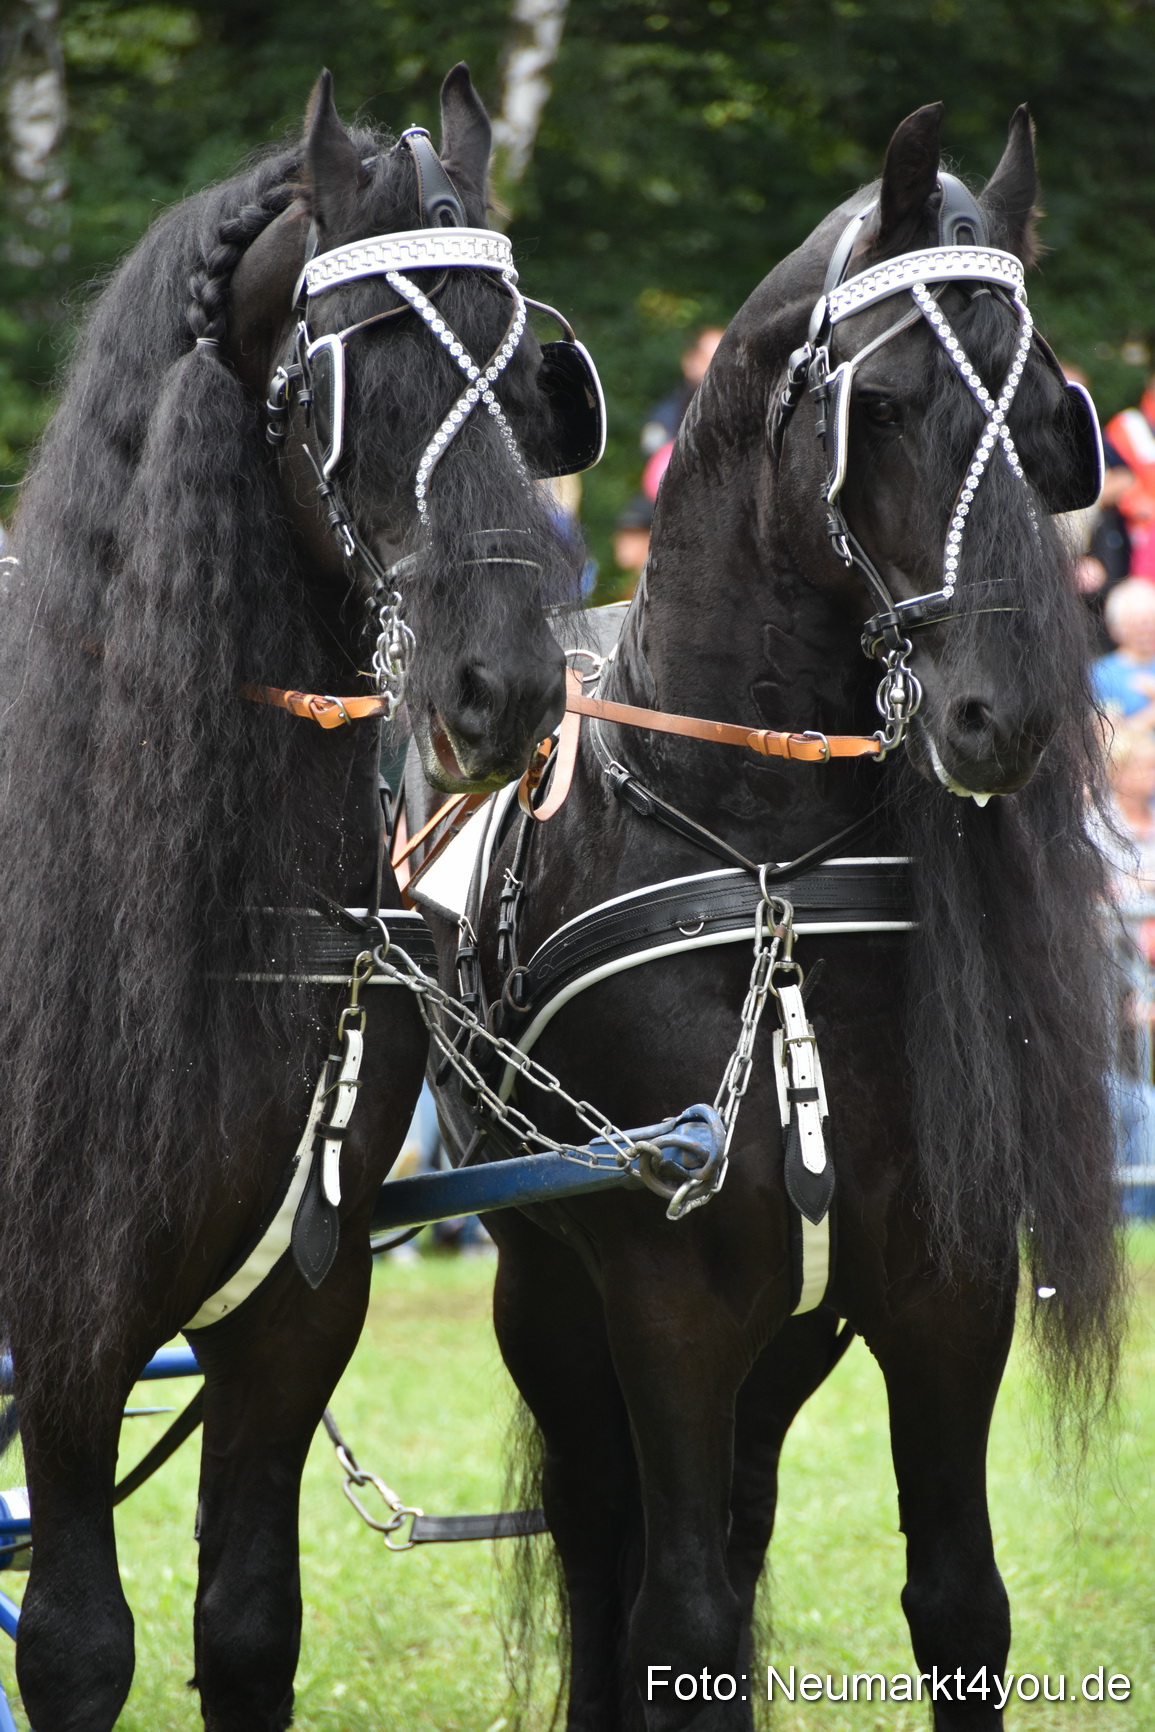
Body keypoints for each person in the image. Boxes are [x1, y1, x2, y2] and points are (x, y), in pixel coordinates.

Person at [640, 325, 725, 501]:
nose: (718, 369)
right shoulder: (665, 416)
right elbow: (655, 466)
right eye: (708, 359)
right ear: (689, 361)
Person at [1092, 578, 1155, 727]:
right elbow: (1108, 736)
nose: (1146, 629)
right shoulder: (1102, 674)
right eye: (1137, 623)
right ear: (1116, 629)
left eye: (1151, 620)